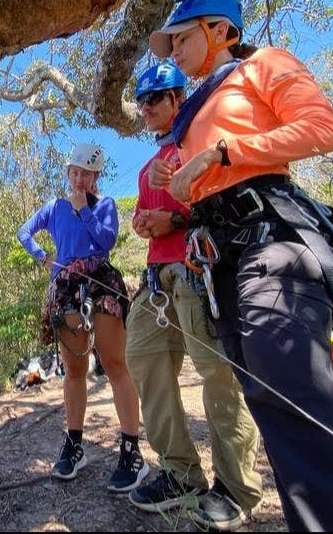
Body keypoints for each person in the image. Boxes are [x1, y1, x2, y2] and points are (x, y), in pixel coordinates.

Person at [149, 0, 333, 531]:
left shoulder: (263, 64)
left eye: (182, 37)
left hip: (272, 244)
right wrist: (175, 180)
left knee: (298, 399)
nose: (173, 51)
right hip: (220, 260)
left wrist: (223, 152)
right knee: (268, 401)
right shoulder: (195, 108)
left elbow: (323, 128)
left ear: (221, 30)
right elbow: (204, 186)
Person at [125, 62, 263, 531]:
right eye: (142, 100)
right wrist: (143, 222)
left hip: (194, 268)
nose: (146, 107)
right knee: (143, 359)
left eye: (156, 98)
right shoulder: (152, 163)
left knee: (217, 374)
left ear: (178, 98)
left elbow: (222, 202)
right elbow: (149, 213)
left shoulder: (202, 140)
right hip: (154, 276)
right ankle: (180, 472)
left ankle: (237, 487)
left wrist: (177, 222)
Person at [17, 143, 148, 493]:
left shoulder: (104, 206)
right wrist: (43, 256)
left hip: (100, 283)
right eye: (75, 172)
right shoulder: (54, 207)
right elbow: (23, 232)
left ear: (95, 177)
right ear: (68, 173)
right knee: (74, 371)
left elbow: (105, 241)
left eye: (87, 174)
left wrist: (83, 211)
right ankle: (74, 446)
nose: (79, 179)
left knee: (115, 363)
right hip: (66, 289)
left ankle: (132, 451)